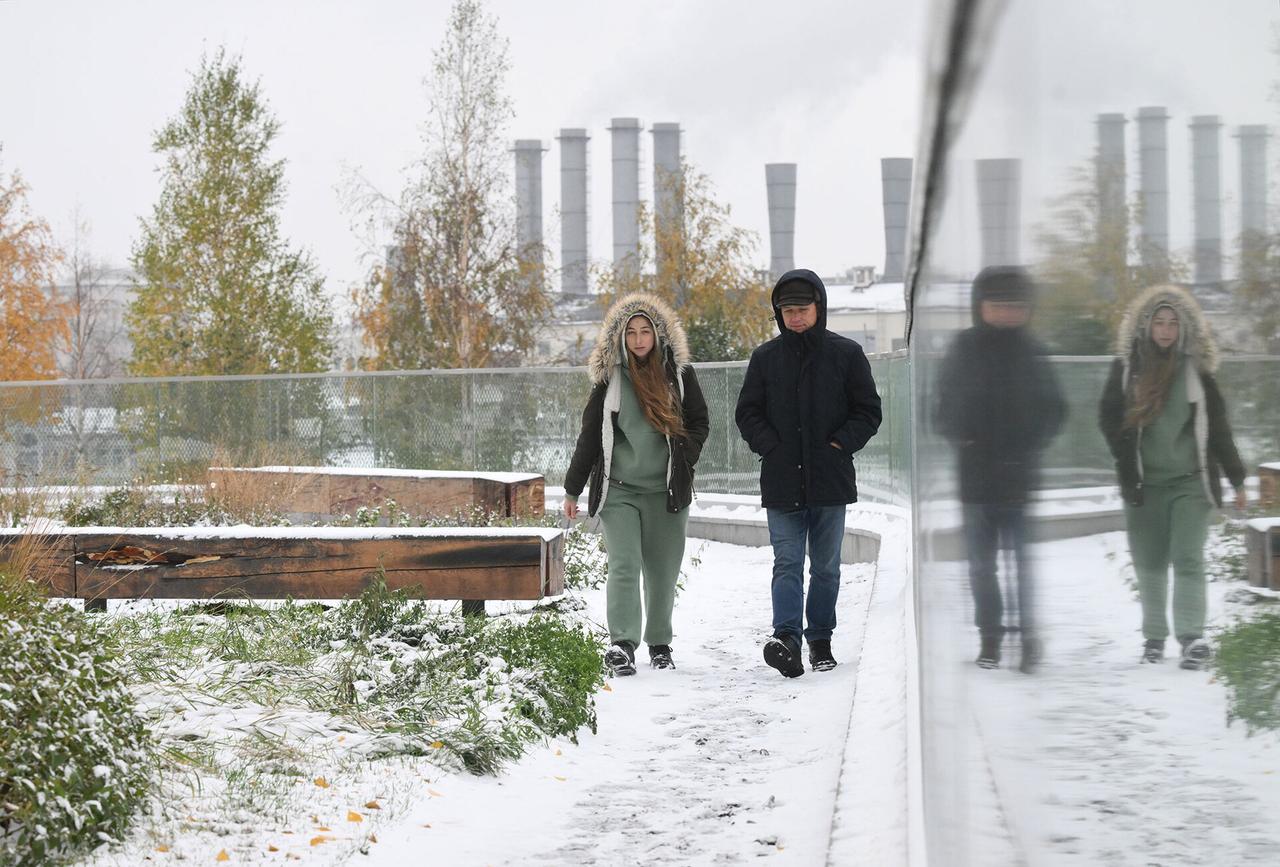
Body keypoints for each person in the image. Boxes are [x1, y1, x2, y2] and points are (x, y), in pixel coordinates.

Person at [735, 269, 882, 678]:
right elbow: (747, 412)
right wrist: (771, 446)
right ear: (778, 315)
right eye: (787, 312)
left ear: (819, 308)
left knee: (826, 567)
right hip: (781, 480)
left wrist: (839, 444)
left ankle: (820, 640)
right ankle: (787, 640)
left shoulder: (847, 354)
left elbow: (868, 411)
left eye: (802, 310)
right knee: (786, 562)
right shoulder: (765, 358)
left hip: (830, 481)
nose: (795, 318)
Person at [1099, 284, 1247, 670]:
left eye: (1173, 323)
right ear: (1145, 326)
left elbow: (1218, 429)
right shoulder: (1127, 370)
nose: (1166, 330)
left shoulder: (1196, 372)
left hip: (1190, 482)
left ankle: (1192, 637)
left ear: (1184, 329)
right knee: (1149, 563)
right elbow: (1107, 416)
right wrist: (1124, 454)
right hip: (1144, 485)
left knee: (1188, 558)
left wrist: (1237, 479)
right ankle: (1153, 638)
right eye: (1159, 323)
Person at [563, 292, 709, 676]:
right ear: (620, 337)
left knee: (662, 571)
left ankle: (660, 645)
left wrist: (686, 456)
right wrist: (572, 489)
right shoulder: (610, 381)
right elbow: (590, 437)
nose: (639, 339)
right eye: (631, 332)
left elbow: (699, 422)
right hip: (620, 491)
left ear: (658, 335)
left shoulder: (679, 376)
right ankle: (622, 644)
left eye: (646, 331)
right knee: (624, 565)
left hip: (667, 492)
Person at [935, 266, 1066, 673]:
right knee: (982, 566)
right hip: (976, 481)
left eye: (1016, 305)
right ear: (981, 306)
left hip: (1019, 478)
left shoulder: (1033, 352)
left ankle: (1028, 640)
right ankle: (990, 638)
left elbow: (1055, 409)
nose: (1008, 312)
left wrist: (1029, 442)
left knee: (1022, 565)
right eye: (999, 304)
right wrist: (966, 437)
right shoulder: (963, 350)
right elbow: (940, 410)